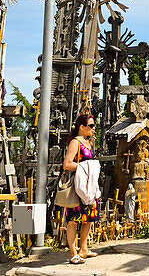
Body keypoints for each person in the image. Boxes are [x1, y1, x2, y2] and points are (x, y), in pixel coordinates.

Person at [62, 112, 100, 264]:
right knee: (73, 220)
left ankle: (83, 249)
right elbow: (67, 164)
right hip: (78, 187)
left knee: (89, 218)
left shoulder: (88, 143)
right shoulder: (75, 143)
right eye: (90, 126)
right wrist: (85, 167)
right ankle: (72, 253)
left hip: (89, 185)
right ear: (82, 127)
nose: (93, 128)